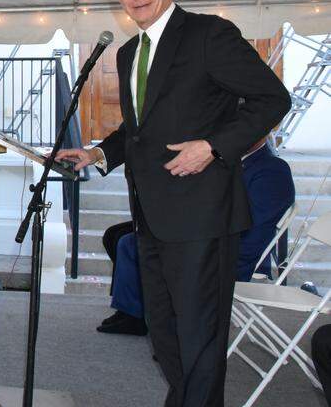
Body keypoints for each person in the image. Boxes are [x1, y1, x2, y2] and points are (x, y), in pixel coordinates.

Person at [55, 0, 290, 407]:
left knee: (199, 334)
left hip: (204, 215)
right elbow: (138, 133)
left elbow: (271, 99)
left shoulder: (209, 36)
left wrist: (213, 145)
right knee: (164, 329)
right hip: (153, 215)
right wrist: (97, 152)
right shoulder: (127, 54)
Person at [99, 139, 296, 336]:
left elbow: (251, 231)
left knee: (133, 243)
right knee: (116, 235)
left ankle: (137, 315)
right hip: (201, 228)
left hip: (228, 250)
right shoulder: (226, 154)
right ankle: (136, 307)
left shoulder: (272, 170)